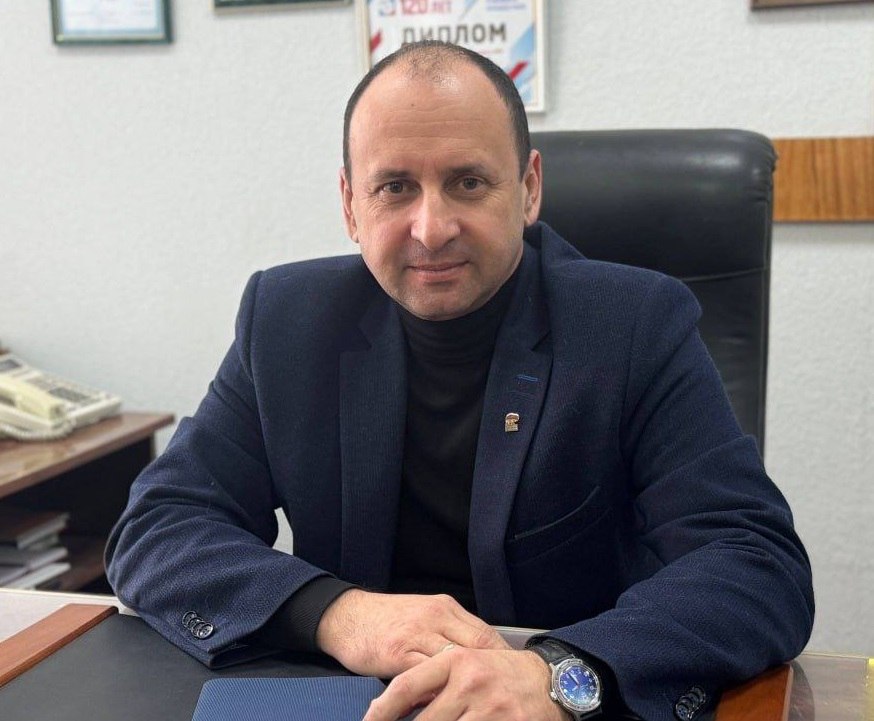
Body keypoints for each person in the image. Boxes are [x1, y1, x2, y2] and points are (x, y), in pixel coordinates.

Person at [106, 41, 814, 721]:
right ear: (351, 205)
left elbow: (756, 563)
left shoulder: (634, 325)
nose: (431, 227)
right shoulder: (286, 320)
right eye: (395, 187)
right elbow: (159, 527)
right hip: (357, 699)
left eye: (467, 182)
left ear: (528, 189)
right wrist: (338, 612)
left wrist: (557, 676)